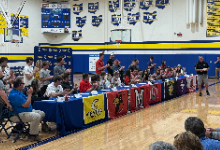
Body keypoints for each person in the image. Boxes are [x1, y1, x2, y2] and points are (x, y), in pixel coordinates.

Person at [8, 77, 47, 142]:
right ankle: (32, 136)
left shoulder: (19, 92)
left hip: (25, 111)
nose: (24, 85)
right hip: (17, 115)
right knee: (36, 116)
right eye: (23, 83)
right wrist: (30, 94)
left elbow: (27, 101)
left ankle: (31, 130)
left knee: (42, 113)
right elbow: (27, 104)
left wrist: (28, 96)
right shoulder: (14, 95)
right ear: (20, 85)